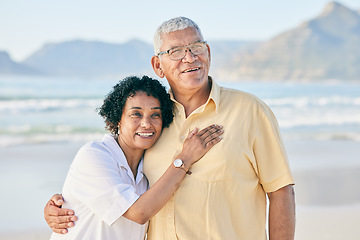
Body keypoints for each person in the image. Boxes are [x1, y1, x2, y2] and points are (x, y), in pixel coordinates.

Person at [45, 17, 296, 239]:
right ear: (158, 66)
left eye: (196, 47)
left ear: (207, 52)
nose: (189, 57)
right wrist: (68, 203)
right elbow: (121, 182)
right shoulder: (155, 122)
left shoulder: (251, 111)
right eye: (175, 51)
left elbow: (281, 191)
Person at [48, 75, 223, 240]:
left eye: (155, 115)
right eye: (136, 114)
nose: (146, 123)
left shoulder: (149, 169)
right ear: (118, 119)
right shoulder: (94, 155)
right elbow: (139, 213)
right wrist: (185, 158)